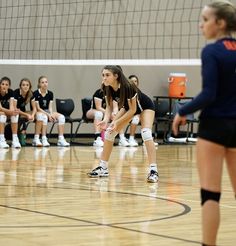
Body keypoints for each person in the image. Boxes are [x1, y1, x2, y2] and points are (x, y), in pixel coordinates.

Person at [172, 1, 236, 245]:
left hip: (215, 127)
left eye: (206, 19)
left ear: (220, 23)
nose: (201, 24)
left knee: (210, 194)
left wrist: (182, 111)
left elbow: (209, 94)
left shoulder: (211, 51)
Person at [88, 65, 159, 183]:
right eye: (103, 75)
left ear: (116, 76)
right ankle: (103, 167)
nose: (104, 78)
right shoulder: (106, 87)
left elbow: (133, 110)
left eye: (107, 75)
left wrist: (117, 122)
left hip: (145, 107)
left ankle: (153, 171)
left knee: (146, 133)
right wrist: (106, 120)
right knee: (110, 133)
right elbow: (109, 106)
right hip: (128, 108)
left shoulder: (128, 86)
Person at [32, 75, 70, 147]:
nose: (45, 84)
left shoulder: (50, 93)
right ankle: (43, 138)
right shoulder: (36, 93)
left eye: (46, 82)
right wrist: (48, 115)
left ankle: (61, 139)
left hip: (47, 111)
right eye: (42, 82)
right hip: (39, 112)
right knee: (44, 117)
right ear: (39, 84)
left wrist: (51, 114)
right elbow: (38, 108)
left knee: (61, 117)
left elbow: (50, 107)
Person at [13, 78, 36, 146]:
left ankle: (38, 138)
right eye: (23, 85)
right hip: (15, 112)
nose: (25, 86)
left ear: (29, 86)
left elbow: (34, 108)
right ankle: (21, 132)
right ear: (20, 86)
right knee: (18, 115)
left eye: (27, 85)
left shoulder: (31, 94)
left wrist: (32, 115)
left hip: (23, 112)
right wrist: (27, 115)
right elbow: (15, 108)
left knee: (38, 115)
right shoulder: (16, 92)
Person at [0, 76, 21, 148]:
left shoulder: (11, 92)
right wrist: (9, 112)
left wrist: (13, 112)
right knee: (2, 115)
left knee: (15, 115)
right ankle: (1, 139)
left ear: (9, 86)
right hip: (1, 112)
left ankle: (15, 139)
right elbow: (0, 108)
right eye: (2, 84)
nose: (4, 86)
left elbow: (11, 106)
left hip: (4, 112)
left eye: (6, 84)